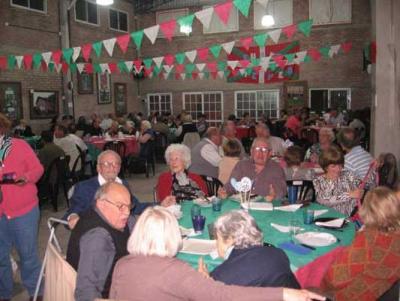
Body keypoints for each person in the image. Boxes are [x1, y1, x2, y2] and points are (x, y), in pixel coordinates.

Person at [110, 207, 325, 301]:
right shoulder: (178, 271)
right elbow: (223, 296)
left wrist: (205, 280)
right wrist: (285, 294)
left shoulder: (121, 265)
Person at [321, 186, 400, 300]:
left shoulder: (368, 238)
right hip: (384, 290)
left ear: (365, 209)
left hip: (355, 295)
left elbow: (336, 279)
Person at [65, 150, 173, 229]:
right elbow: (74, 210)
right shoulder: (84, 187)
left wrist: (160, 204)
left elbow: (135, 207)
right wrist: (73, 216)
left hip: (122, 230)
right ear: (98, 168)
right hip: (97, 234)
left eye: (116, 164)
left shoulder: (123, 184)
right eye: (107, 164)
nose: (112, 167)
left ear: (120, 168)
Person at [0, 113, 44, 301]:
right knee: (1, 259)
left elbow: (38, 169)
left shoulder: (19, 145)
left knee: (28, 257)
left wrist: (26, 177)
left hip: (24, 210)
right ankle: (4, 293)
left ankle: (37, 293)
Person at [66, 182, 134, 301]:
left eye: (129, 206)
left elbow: (131, 221)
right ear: (102, 204)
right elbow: (85, 292)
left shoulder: (95, 212)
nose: (127, 212)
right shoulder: (98, 239)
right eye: (120, 206)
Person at [202, 210, 300, 288]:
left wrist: (206, 282)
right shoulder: (278, 254)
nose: (216, 244)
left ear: (230, 239)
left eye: (217, 239)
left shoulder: (222, 275)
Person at [222, 138, 287, 200]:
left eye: (264, 150)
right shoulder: (242, 165)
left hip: (265, 207)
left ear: (269, 153)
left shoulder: (276, 169)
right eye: (257, 149)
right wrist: (224, 192)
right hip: (243, 206)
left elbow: (281, 191)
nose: (260, 153)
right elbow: (231, 185)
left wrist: (274, 195)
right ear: (251, 151)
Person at [313, 146, 363, 216]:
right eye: (333, 166)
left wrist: (374, 170)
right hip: (330, 219)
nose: (338, 169)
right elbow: (326, 200)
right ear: (325, 167)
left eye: (340, 165)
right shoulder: (318, 181)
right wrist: (349, 195)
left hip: (352, 218)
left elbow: (364, 185)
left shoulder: (348, 175)